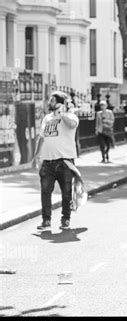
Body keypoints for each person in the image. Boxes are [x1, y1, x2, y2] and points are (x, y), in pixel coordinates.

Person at [34, 91, 79, 230]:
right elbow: (42, 137)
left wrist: (63, 113)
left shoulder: (70, 116)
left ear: (59, 102)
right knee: (45, 192)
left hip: (65, 162)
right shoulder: (47, 118)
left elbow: (72, 125)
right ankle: (46, 221)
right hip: (47, 161)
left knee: (66, 192)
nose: (49, 102)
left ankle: (65, 219)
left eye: (52, 100)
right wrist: (36, 155)